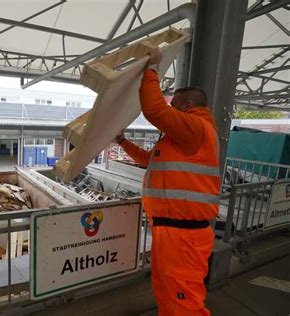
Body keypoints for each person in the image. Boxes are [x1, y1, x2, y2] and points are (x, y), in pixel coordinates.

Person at [116, 49, 220, 315]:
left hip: (184, 236)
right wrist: (122, 142)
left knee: (183, 302)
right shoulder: (182, 139)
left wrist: (152, 68)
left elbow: (154, 109)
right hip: (172, 233)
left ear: (186, 106)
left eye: (174, 106)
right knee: (168, 295)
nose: (170, 113)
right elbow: (148, 160)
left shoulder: (196, 128)